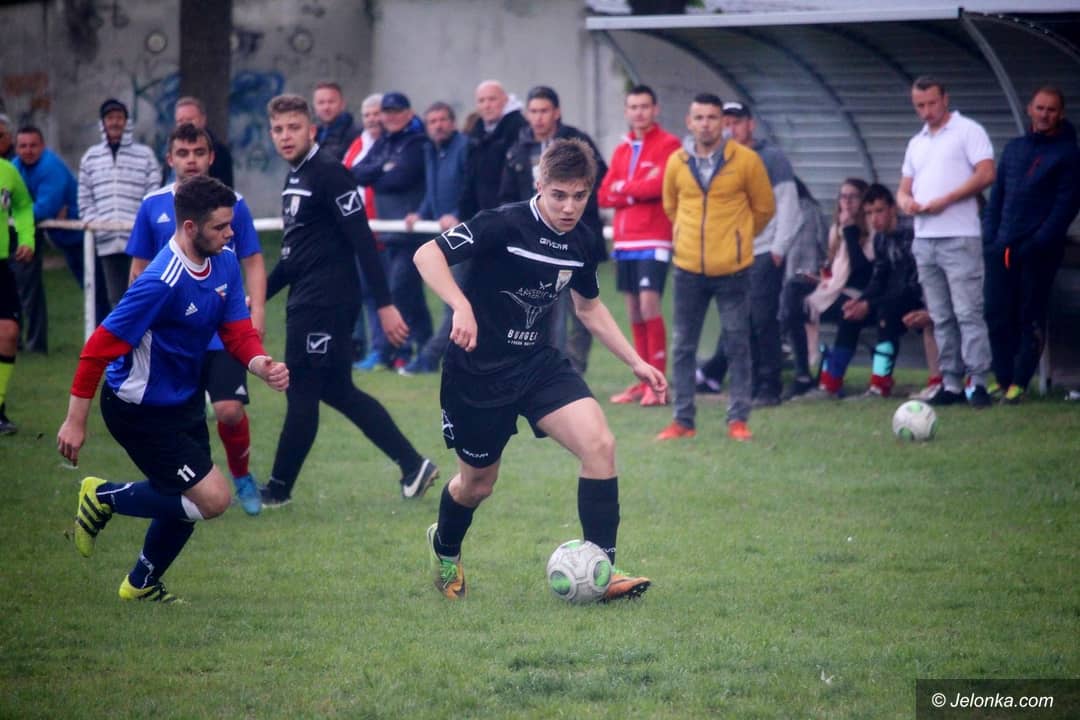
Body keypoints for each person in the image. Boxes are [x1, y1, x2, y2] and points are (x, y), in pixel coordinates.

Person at [413, 137, 663, 601]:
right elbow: (426, 255)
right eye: (559, 195)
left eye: (579, 196)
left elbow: (589, 308)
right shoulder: (501, 223)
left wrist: (635, 361)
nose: (569, 207)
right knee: (477, 485)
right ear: (539, 185)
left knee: (600, 445)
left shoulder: (583, 240)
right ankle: (444, 547)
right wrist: (461, 306)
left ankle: (603, 570)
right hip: (478, 372)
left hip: (537, 364)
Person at [56, 175, 289, 602]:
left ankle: (141, 584)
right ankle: (102, 496)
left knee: (188, 496)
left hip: (183, 400)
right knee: (213, 499)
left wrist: (262, 365)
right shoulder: (159, 282)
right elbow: (96, 350)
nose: (231, 233)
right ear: (190, 227)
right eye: (221, 226)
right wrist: (75, 421)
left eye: (231, 224)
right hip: (138, 409)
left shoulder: (223, 261)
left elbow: (236, 330)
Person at [261, 93, 438, 506]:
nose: (285, 136)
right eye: (278, 129)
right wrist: (250, 299)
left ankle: (278, 491)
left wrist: (385, 305)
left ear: (311, 130)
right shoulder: (295, 177)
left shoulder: (330, 173)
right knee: (338, 390)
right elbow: (292, 258)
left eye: (294, 128)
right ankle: (413, 466)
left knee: (302, 392)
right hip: (309, 300)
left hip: (323, 304)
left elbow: (363, 241)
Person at [126, 122, 267, 515]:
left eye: (199, 152)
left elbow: (253, 260)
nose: (191, 160)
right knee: (180, 418)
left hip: (221, 329)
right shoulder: (152, 205)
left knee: (229, 410)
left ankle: (241, 476)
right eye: (183, 153)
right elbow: (138, 270)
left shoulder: (232, 204)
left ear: (211, 157)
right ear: (169, 158)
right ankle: (195, 487)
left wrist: (257, 311)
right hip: (174, 338)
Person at [657, 94, 775, 442]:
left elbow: (764, 208)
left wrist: (738, 238)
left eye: (712, 117)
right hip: (687, 267)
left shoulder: (747, 160)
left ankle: (738, 419)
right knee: (683, 346)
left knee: (738, 344)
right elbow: (670, 206)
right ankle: (683, 420)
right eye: (699, 117)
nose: (706, 124)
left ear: (724, 123)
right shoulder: (676, 162)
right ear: (689, 122)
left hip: (732, 269)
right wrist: (686, 236)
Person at [897, 76, 995, 408]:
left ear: (945, 99)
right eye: (919, 106)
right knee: (941, 315)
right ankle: (951, 381)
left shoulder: (968, 130)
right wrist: (906, 202)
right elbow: (903, 188)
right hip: (925, 237)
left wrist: (947, 199)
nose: (926, 111)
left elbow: (986, 173)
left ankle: (978, 381)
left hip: (959, 235)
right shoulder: (917, 142)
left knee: (968, 311)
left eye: (931, 103)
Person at [695, 102, 800, 407]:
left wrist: (779, 248)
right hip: (732, 255)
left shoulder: (771, 158)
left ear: (750, 124)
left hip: (765, 251)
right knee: (739, 321)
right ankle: (750, 384)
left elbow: (789, 205)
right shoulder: (719, 159)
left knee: (763, 319)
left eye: (737, 122)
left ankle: (770, 386)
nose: (731, 128)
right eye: (726, 122)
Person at [499, 85, 609, 375]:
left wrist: (580, 222)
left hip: (575, 242)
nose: (538, 117)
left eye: (544, 111)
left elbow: (599, 180)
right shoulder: (517, 148)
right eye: (533, 111)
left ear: (556, 112)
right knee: (543, 309)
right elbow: (507, 195)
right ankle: (547, 368)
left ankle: (574, 368)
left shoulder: (577, 144)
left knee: (583, 308)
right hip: (533, 244)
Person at [983, 86, 1080, 404]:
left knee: (1030, 316)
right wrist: (991, 238)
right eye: (1040, 108)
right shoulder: (1014, 149)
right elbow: (997, 196)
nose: (1044, 114)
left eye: (1051, 110)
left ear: (1060, 114)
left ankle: (1020, 382)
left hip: (1038, 252)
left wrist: (1038, 242)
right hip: (1002, 248)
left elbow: (1065, 206)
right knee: (997, 313)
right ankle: (1002, 378)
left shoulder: (1068, 154)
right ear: (1029, 109)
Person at [598, 85, 681, 406]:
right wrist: (632, 190)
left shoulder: (669, 145)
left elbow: (658, 186)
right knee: (633, 310)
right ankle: (643, 380)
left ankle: (658, 385)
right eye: (633, 107)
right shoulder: (622, 149)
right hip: (625, 242)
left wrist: (625, 190)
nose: (639, 112)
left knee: (649, 306)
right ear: (626, 111)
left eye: (645, 106)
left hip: (654, 238)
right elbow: (604, 194)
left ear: (655, 109)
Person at [351, 91, 432, 370]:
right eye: (387, 112)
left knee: (398, 292)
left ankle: (395, 352)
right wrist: (384, 169)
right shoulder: (384, 141)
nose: (391, 117)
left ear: (409, 113)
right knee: (411, 295)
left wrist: (380, 174)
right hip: (388, 234)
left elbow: (402, 177)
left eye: (397, 111)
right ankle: (420, 348)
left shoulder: (417, 142)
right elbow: (358, 172)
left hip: (411, 234)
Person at [826, 184, 925, 397]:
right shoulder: (880, 238)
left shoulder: (910, 233)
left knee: (886, 313)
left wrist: (869, 304)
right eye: (869, 213)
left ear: (893, 209)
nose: (874, 219)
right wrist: (861, 301)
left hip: (917, 298)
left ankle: (880, 384)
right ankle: (830, 383)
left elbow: (909, 285)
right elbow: (878, 279)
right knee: (849, 314)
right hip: (891, 297)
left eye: (879, 211)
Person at [783, 178, 872, 399]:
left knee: (848, 312)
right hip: (834, 291)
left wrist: (850, 231)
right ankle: (802, 373)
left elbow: (863, 272)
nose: (847, 202)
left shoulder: (870, 231)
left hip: (861, 294)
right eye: (843, 197)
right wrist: (819, 279)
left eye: (853, 197)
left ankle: (827, 379)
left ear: (863, 201)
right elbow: (834, 271)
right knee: (793, 290)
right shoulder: (836, 230)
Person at [401, 101, 470, 375]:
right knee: (452, 300)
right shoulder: (430, 150)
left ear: (452, 122)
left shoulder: (464, 148)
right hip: (442, 238)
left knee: (455, 302)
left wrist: (457, 214)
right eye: (433, 121)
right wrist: (420, 213)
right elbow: (433, 193)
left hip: (464, 236)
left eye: (442, 120)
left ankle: (428, 358)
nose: (438, 125)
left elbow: (469, 188)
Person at [78, 98, 162, 312]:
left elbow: (154, 191)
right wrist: (98, 224)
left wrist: (143, 224)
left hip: (140, 240)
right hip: (106, 241)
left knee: (145, 295)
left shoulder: (145, 155)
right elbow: (84, 198)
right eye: (110, 118)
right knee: (117, 301)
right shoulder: (90, 158)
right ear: (103, 123)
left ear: (127, 121)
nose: (114, 122)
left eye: (119, 117)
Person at [12, 125, 81, 352]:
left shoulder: (50, 167)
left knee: (100, 291)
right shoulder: (16, 166)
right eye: (23, 146)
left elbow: (43, 208)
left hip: (84, 237)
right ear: (16, 148)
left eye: (33, 145)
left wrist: (15, 212)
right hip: (63, 238)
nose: (28, 150)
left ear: (43, 146)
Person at [342, 93, 386, 368]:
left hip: (382, 232)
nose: (372, 119)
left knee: (380, 293)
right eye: (367, 114)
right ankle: (363, 347)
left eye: (376, 113)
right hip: (356, 232)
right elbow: (345, 176)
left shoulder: (387, 144)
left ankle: (385, 349)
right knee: (360, 292)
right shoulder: (357, 144)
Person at [776, 177, 829, 399]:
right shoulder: (776, 214)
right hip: (784, 283)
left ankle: (798, 372)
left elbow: (824, 251)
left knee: (790, 300)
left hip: (809, 281)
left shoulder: (808, 212)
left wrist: (817, 273)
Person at [455, 80, 527, 223]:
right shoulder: (477, 130)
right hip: (482, 215)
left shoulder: (519, 128)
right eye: (481, 101)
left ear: (505, 100)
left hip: (511, 214)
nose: (486, 105)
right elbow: (470, 179)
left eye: (492, 99)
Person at [0, 157, 35, 434]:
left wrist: (26, 239)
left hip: (1, 265)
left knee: (9, 332)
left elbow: (23, 206)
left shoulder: (7, 171)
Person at [173, 96, 234, 188]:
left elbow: (224, 190)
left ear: (203, 119)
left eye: (189, 120)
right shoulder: (172, 147)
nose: (184, 125)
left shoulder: (219, 152)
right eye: (180, 121)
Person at [313, 81, 360, 161]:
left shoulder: (355, 133)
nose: (326, 107)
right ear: (315, 107)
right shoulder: (313, 134)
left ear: (342, 104)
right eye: (321, 103)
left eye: (331, 102)